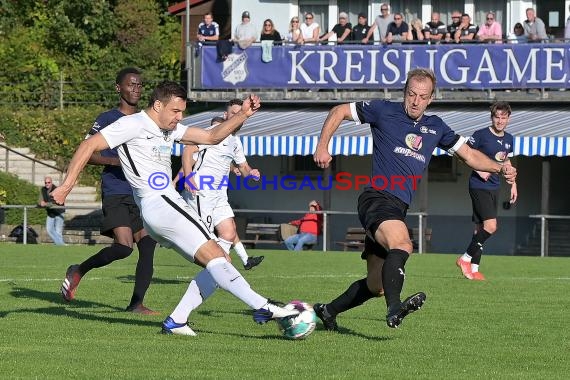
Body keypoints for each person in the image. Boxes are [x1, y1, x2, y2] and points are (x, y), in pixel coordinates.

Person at [51, 82, 299, 336]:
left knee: (218, 260)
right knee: (216, 257)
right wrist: (66, 186)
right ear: (158, 105)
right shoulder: (133, 124)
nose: (179, 117)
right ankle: (263, 306)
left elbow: (212, 137)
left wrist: (243, 115)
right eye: (175, 111)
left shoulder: (169, 128)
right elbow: (88, 145)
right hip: (162, 205)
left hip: (160, 210)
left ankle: (177, 320)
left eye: (182, 112)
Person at [312, 68, 517, 331]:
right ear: (404, 93)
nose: (415, 101)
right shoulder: (383, 111)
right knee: (403, 244)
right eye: (411, 94)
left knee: (376, 285)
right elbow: (339, 110)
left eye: (422, 96)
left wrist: (500, 167)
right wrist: (322, 145)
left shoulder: (436, 127)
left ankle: (327, 311)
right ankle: (395, 309)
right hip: (378, 198)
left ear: (431, 98)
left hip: (397, 208)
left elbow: (469, 155)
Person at [59, 67, 159, 315]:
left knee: (148, 244)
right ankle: (78, 270)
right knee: (124, 248)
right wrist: (116, 162)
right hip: (116, 191)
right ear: (119, 88)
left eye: (139, 85)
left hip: (140, 193)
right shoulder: (106, 119)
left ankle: (136, 304)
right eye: (131, 85)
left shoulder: (146, 120)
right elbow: (88, 153)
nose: (136, 89)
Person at [181, 102, 264, 271]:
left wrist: (252, 172)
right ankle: (218, 267)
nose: (236, 116)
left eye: (239, 113)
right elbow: (188, 151)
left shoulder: (235, 142)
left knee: (229, 232)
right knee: (205, 239)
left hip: (219, 194)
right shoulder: (213, 133)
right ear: (226, 116)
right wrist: (189, 177)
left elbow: (244, 168)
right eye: (233, 113)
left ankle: (219, 267)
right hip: (202, 191)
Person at [457, 102, 517, 281]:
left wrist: (513, 185)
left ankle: (474, 270)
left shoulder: (509, 139)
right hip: (478, 186)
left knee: (479, 229)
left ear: (508, 119)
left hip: (495, 186)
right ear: (492, 117)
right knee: (491, 227)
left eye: (503, 117)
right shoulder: (480, 135)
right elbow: (464, 155)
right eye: (497, 117)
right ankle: (465, 259)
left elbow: (506, 164)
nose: (500, 121)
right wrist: (480, 169)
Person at [38, 176, 65, 246]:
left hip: (59, 212)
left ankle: (60, 246)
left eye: (48, 182)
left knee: (58, 231)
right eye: (45, 182)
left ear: (51, 182)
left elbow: (55, 202)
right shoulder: (43, 189)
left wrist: (45, 204)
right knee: (49, 229)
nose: (47, 184)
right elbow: (39, 199)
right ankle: (62, 245)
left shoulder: (56, 189)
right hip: (50, 213)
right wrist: (40, 202)